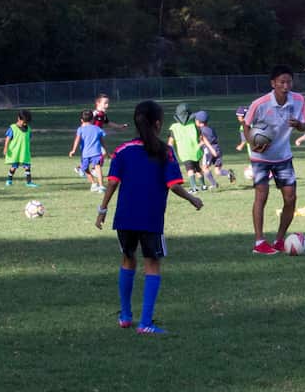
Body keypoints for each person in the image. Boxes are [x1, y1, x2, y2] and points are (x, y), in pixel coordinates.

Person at [96, 100, 203, 334]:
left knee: (127, 260)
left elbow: (113, 182)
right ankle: (145, 323)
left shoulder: (122, 150)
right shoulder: (164, 151)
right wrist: (193, 199)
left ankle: (125, 316)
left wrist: (102, 210)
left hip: (124, 217)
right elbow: (174, 185)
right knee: (152, 264)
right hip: (151, 218)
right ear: (158, 123)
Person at [244, 65, 305, 255]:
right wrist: (252, 143)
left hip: (283, 156)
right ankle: (259, 242)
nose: (285, 85)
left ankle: (280, 240)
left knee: (291, 198)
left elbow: (303, 126)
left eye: (288, 81)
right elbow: (246, 126)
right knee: (261, 196)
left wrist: (298, 125)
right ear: (273, 83)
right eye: (281, 82)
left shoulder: (298, 100)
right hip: (260, 158)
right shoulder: (260, 103)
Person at [76, 94, 127, 178]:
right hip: (91, 139)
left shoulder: (102, 114)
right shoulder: (93, 114)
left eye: (108, 103)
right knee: (100, 154)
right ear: (98, 103)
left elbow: (109, 123)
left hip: (97, 138)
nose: (107, 105)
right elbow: (84, 124)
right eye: (105, 103)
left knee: (100, 154)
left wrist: (120, 126)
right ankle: (91, 169)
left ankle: (85, 168)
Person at [167, 103, 205, 194]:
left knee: (190, 170)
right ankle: (203, 185)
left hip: (184, 152)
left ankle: (194, 187)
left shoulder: (174, 127)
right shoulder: (194, 125)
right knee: (198, 169)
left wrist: (170, 153)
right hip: (196, 151)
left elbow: (170, 143)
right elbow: (201, 138)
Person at [68, 110, 108, 192]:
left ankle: (97, 184)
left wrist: (73, 150)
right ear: (93, 119)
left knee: (87, 169)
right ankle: (98, 185)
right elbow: (102, 141)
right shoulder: (97, 129)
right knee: (97, 168)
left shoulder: (80, 129)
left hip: (87, 154)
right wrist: (106, 150)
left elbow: (77, 140)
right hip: (95, 153)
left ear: (81, 120)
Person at [196, 110, 235, 189]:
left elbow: (205, 141)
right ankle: (228, 173)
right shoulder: (210, 129)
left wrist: (198, 145)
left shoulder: (202, 130)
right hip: (217, 148)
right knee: (217, 171)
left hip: (209, 151)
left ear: (198, 121)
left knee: (205, 168)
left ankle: (214, 184)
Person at [2, 109, 38, 187]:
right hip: (15, 152)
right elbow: (7, 139)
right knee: (14, 167)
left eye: (26, 122)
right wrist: (5, 148)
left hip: (24, 151)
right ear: (18, 118)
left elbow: (29, 138)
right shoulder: (13, 128)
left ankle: (29, 182)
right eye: (23, 122)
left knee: (27, 166)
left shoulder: (28, 129)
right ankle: (9, 180)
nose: (24, 123)